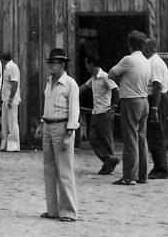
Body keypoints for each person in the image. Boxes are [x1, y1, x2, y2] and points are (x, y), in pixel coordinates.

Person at [37, 48, 79, 222]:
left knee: (64, 170)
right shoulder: (48, 82)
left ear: (62, 64)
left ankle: (68, 210)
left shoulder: (70, 84)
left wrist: (70, 131)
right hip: (48, 125)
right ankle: (52, 209)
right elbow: (48, 104)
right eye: (49, 63)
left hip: (62, 127)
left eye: (53, 63)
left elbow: (74, 109)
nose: (50, 66)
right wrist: (41, 123)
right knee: (49, 169)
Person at [108, 30, 152, 185]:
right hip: (144, 100)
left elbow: (111, 74)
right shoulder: (146, 61)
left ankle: (129, 176)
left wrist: (122, 80)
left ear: (129, 45)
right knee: (141, 138)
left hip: (130, 100)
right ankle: (142, 175)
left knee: (130, 139)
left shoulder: (128, 59)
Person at [80, 52, 119, 174]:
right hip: (95, 112)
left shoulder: (105, 77)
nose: (86, 67)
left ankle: (109, 163)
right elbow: (83, 88)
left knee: (106, 139)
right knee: (93, 139)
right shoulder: (93, 79)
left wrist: (114, 105)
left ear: (91, 64)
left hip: (104, 112)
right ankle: (109, 160)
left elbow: (116, 90)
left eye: (87, 64)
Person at [145, 38, 168, 179]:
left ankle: (161, 169)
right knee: (154, 135)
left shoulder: (155, 63)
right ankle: (158, 166)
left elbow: (157, 86)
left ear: (149, 48)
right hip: (156, 99)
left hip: (157, 100)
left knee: (156, 135)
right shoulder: (154, 61)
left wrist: (154, 108)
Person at [0, 49, 22, 152]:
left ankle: (14, 145)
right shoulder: (6, 68)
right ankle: (4, 144)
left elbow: (15, 83)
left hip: (11, 99)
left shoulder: (13, 67)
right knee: (5, 122)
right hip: (5, 99)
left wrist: (11, 99)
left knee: (12, 122)